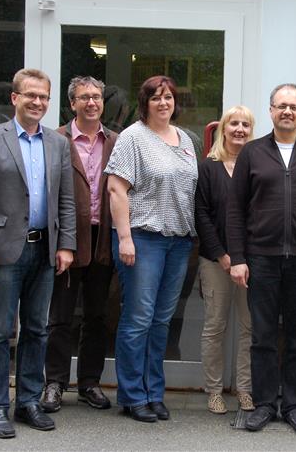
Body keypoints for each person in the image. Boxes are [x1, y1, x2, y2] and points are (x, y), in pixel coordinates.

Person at [0, 68, 76, 439]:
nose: (38, 102)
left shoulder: (58, 143)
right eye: (31, 95)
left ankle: (28, 401)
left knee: (36, 329)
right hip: (3, 249)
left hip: (44, 248)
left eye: (44, 97)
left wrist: (66, 244)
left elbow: (65, 199)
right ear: (15, 98)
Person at [227, 83, 296, 436]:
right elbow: (235, 209)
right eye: (281, 106)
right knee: (261, 335)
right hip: (261, 258)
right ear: (271, 110)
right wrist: (239, 257)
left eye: (294, 106)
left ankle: (293, 405)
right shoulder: (253, 153)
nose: (287, 111)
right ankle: (262, 404)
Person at [105, 75, 197, 423]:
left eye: (169, 97)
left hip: (177, 241)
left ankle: (154, 392)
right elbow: (117, 190)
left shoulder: (185, 139)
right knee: (138, 319)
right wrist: (125, 238)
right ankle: (132, 395)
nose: (163, 103)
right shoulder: (133, 137)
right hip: (142, 239)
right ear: (145, 102)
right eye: (156, 97)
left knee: (161, 322)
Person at [41, 76, 117, 413]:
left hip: (103, 240)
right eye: (84, 97)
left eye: (96, 97)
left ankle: (89, 382)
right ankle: (54, 383)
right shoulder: (54, 139)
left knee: (97, 317)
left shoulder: (116, 141)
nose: (91, 103)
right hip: (67, 240)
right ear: (72, 103)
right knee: (59, 317)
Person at [195, 105, 256, 414]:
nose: (239, 129)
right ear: (223, 129)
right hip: (215, 260)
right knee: (215, 327)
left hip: (251, 262)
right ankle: (214, 391)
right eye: (234, 123)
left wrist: (244, 257)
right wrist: (222, 255)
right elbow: (202, 215)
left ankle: (244, 389)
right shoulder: (208, 168)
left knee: (249, 328)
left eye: (245, 124)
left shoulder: (257, 166)